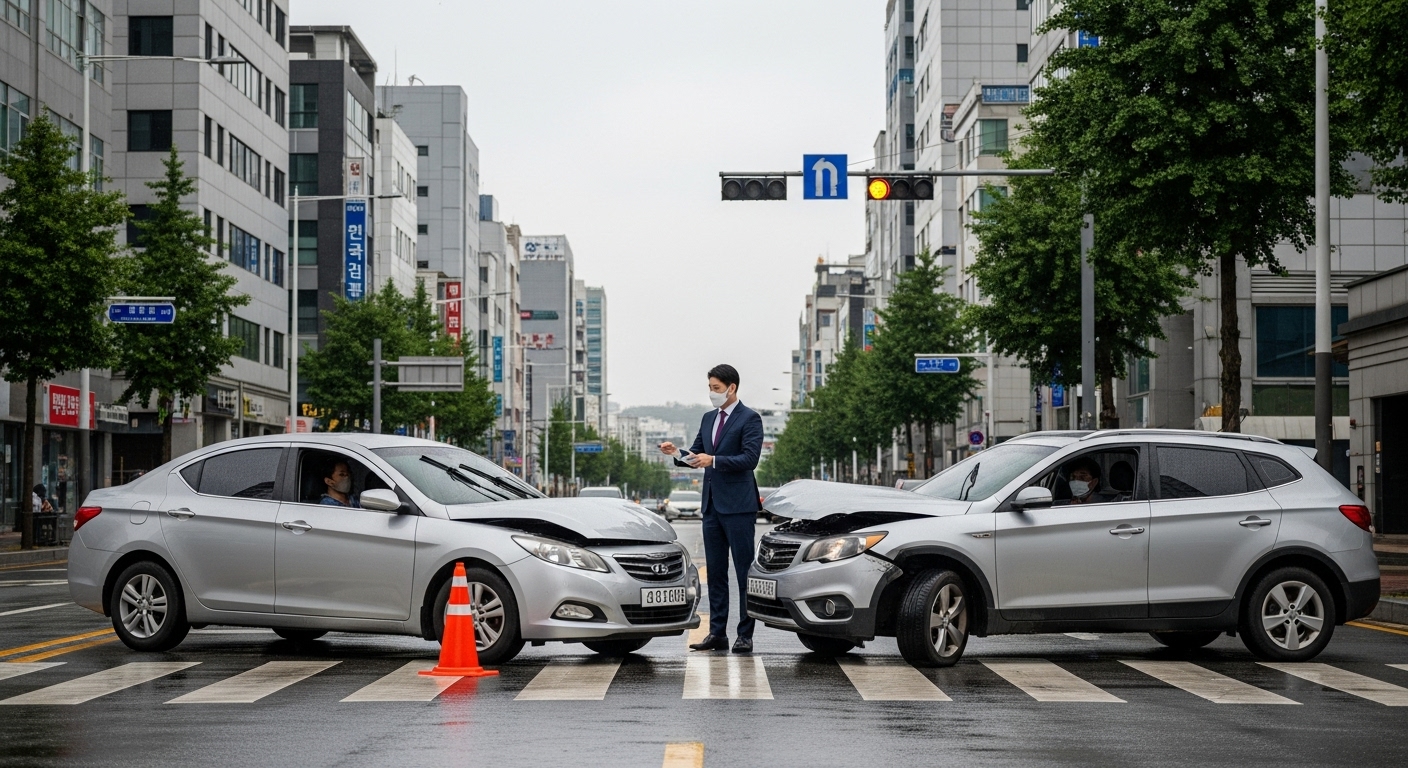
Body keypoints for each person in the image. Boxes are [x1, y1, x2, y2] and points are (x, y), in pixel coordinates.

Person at [659, 364, 764, 654]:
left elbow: (749, 459)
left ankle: (745, 634)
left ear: (732, 388)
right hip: (712, 506)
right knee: (716, 573)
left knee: (743, 572)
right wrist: (677, 453)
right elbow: (696, 454)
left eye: (716, 388)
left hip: (739, 505)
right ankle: (717, 633)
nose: (712, 393)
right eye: (709, 388)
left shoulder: (750, 419)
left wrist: (714, 460)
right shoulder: (708, 419)